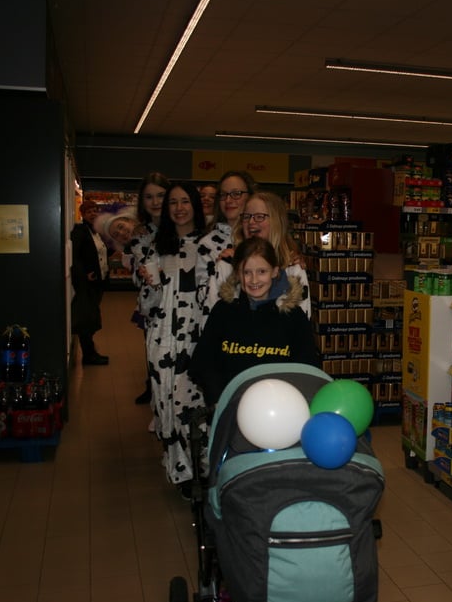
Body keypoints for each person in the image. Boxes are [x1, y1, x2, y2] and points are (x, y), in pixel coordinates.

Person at [136, 180, 207, 495]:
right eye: (173, 203)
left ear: (195, 205)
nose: (179, 208)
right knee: (167, 405)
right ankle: (180, 471)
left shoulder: (209, 244)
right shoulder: (155, 247)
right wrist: (149, 285)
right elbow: (146, 306)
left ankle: (201, 468)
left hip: (197, 340)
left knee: (195, 405)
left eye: (185, 201)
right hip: (162, 340)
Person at [192, 237, 320, 406]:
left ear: (275, 271)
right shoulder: (223, 312)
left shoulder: (293, 317)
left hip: (280, 408)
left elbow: (307, 368)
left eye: (262, 271)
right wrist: (218, 399)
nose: (254, 280)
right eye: (246, 272)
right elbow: (204, 362)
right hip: (231, 407)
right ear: (237, 273)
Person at [227, 191, 310, 317]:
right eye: (246, 216)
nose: (251, 222)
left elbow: (302, 322)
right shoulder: (227, 264)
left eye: (259, 216)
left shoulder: (293, 269)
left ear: (277, 221)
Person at [194, 171, 258, 328]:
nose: (228, 200)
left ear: (250, 196)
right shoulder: (207, 244)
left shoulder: (263, 236)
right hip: (224, 329)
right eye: (223, 195)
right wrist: (223, 270)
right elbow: (201, 297)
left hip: (262, 328)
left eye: (236, 194)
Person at [128, 172, 170, 405]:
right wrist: (141, 273)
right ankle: (153, 389)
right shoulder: (140, 234)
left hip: (180, 304)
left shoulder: (181, 227)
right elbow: (138, 273)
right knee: (153, 351)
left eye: (161, 195)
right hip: (152, 304)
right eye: (149, 197)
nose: (155, 202)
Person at [70, 199, 109, 365]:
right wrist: (84, 274)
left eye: (95, 210)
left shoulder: (97, 231)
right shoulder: (80, 231)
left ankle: (90, 352)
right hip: (87, 284)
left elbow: (99, 252)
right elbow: (75, 257)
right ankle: (89, 355)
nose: (93, 213)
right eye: (89, 211)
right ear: (83, 214)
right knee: (87, 319)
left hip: (98, 282)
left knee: (91, 317)